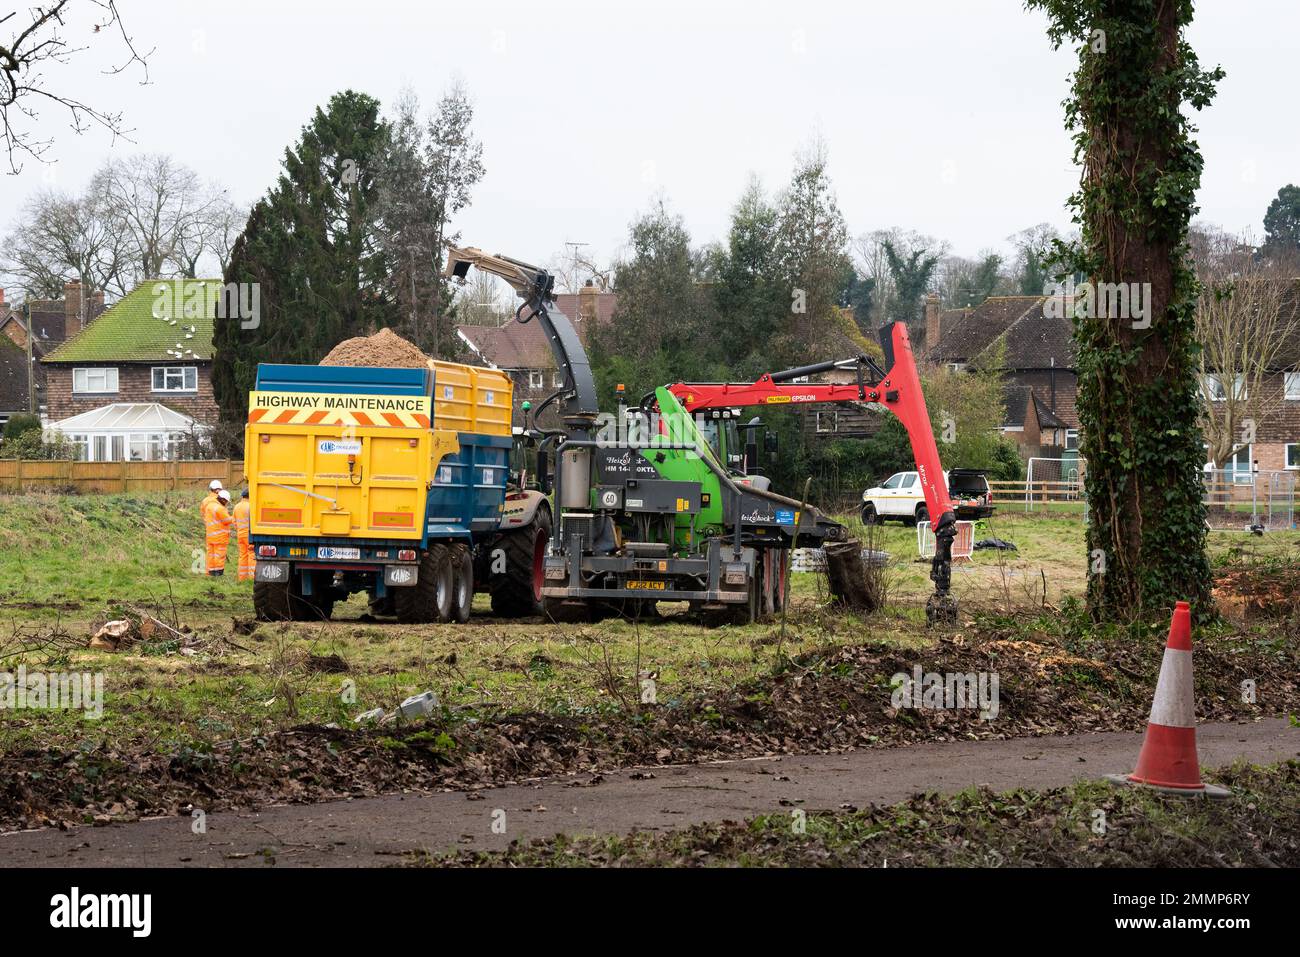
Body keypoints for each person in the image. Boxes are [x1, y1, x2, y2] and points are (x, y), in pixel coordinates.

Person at [205, 489, 234, 577]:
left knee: (211, 555)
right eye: (226, 501)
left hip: (210, 536)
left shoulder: (209, 506)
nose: (226, 503)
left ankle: (211, 572)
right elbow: (227, 520)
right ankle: (218, 573)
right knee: (219, 555)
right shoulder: (220, 508)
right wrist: (235, 516)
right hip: (220, 537)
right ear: (223, 499)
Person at [234, 488, 253, 581]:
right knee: (252, 554)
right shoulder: (251, 506)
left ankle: (242, 577)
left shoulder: (236, 506)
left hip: (240, 534)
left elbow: (234, 522)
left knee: (243, 555)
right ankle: (252, 577)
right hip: (249, 535)